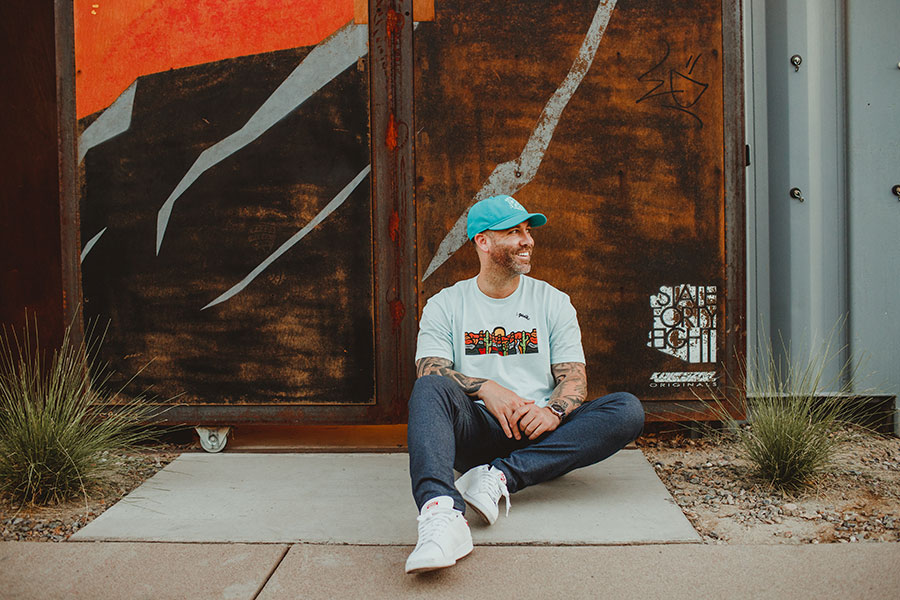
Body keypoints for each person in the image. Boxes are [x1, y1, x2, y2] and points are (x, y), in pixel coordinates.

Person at [405, 194, 645, 574]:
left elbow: (574, 379)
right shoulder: (446, 304)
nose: (527, 240)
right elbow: (429, 368)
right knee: (429, 388)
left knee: (627, 409)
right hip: (478, 428)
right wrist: (486, 388)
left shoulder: (553, 301)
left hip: (540, 430)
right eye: (513, 232)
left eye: (527, 231)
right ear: (483, 241)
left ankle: (500, 476)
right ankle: (443, 514)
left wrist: (552, 411)